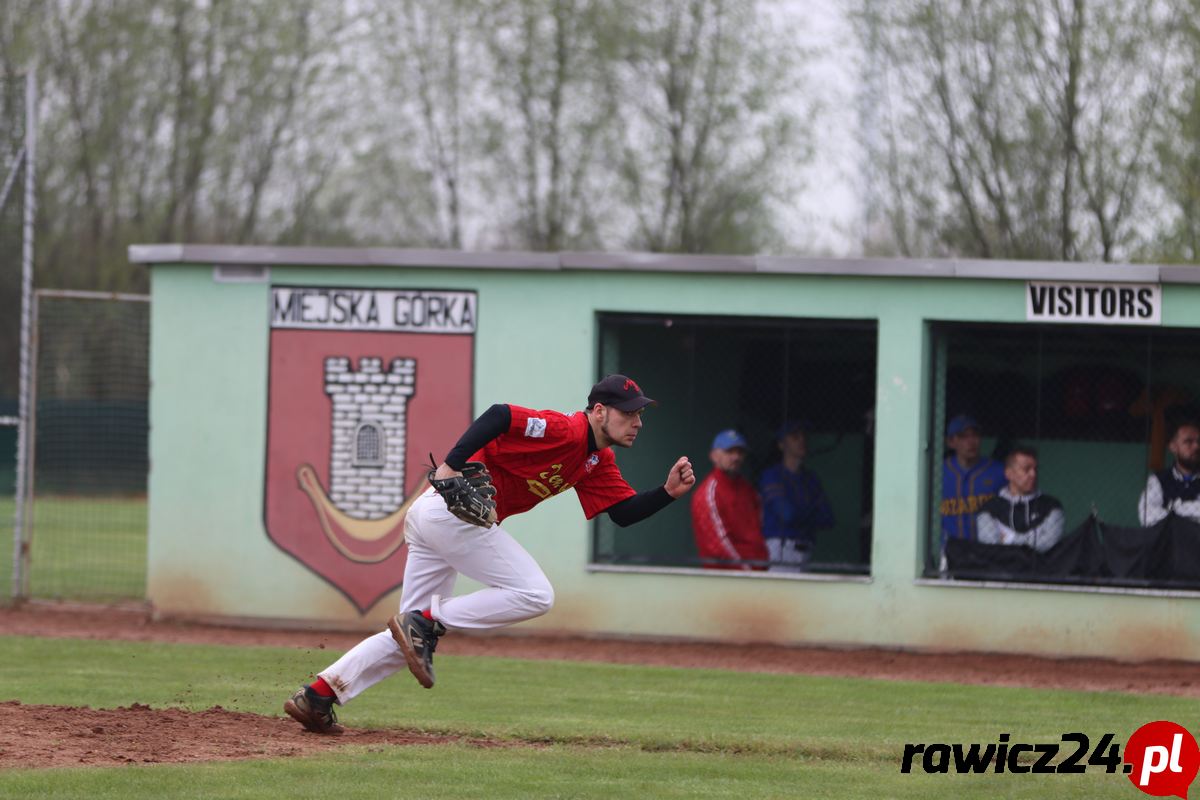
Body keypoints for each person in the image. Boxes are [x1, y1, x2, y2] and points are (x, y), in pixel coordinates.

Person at [284, 374, 696, 734]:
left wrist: (667, 494)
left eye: (640, 414)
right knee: (535, 594)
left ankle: (317, 696)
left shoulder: (595, 459)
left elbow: (621, 514)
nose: (638, 422)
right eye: (629, 413)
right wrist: (450, 466)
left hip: (437, 519)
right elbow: (500, 415)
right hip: (450, 516)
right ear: (600, 411)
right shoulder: (567, 430)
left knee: (407, 640)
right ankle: (427, 620)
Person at [758, 421, 834, 572]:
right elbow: (787, 514)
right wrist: (812, 511)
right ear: (781, 444)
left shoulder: (811, 478)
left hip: (806, 547)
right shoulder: (772, 475)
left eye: (803, 436)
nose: (802, 440)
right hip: (780, 547)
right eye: (794, 436)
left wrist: (801, 513)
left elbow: (828, 518)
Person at [689, 429, 767, 570]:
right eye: (729, 452)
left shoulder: (748, 490)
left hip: (757, 572)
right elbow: (717, 545)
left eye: (740, 452)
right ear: (714, 456)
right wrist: (747, 571)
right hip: (725, 577)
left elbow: (759, 530)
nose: (736, 457)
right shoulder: (709, 492)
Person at [975, 446, 1065, 553]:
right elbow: (991, 548)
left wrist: (1009, 538)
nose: (1033, 474)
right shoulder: (989, 508)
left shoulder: (1052, 506)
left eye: (1035, 469)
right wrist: (1032, 538)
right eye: (1026, 469)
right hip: (1001, 569)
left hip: (1041, 569)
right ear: (1009, 473)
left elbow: (1049, 545)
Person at [940, 414, 1006, 547]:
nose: (971, 442)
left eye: (975, 435)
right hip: (948, 550)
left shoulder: (999, 471)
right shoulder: (938, 472)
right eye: (963, 436)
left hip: (987, 550)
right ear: (951, 442)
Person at [1138, 418, 1200, 526]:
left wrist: (1172, 509)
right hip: (1169, 541)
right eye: (1188, 442)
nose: (1196, 446)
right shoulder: (1158, 479)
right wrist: (1191, 510)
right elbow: (1146, 516)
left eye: (1198, 442)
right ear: (1173, 447)